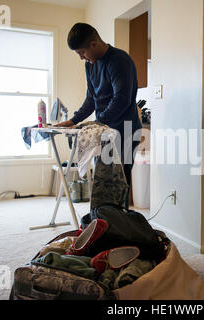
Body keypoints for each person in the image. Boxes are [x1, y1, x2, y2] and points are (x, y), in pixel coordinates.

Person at [56, 23, 142, 210]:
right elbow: (91, 99)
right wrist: (73, 121)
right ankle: (105, 223)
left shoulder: (119, 60)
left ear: (94, 44)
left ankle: (121, 225)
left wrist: (97, 121)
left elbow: (122, 99)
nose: (81, 58)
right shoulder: (90, 65)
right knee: (103, 180)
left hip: (125, 128)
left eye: (82, 52)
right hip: (104, 129)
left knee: (119, 182)